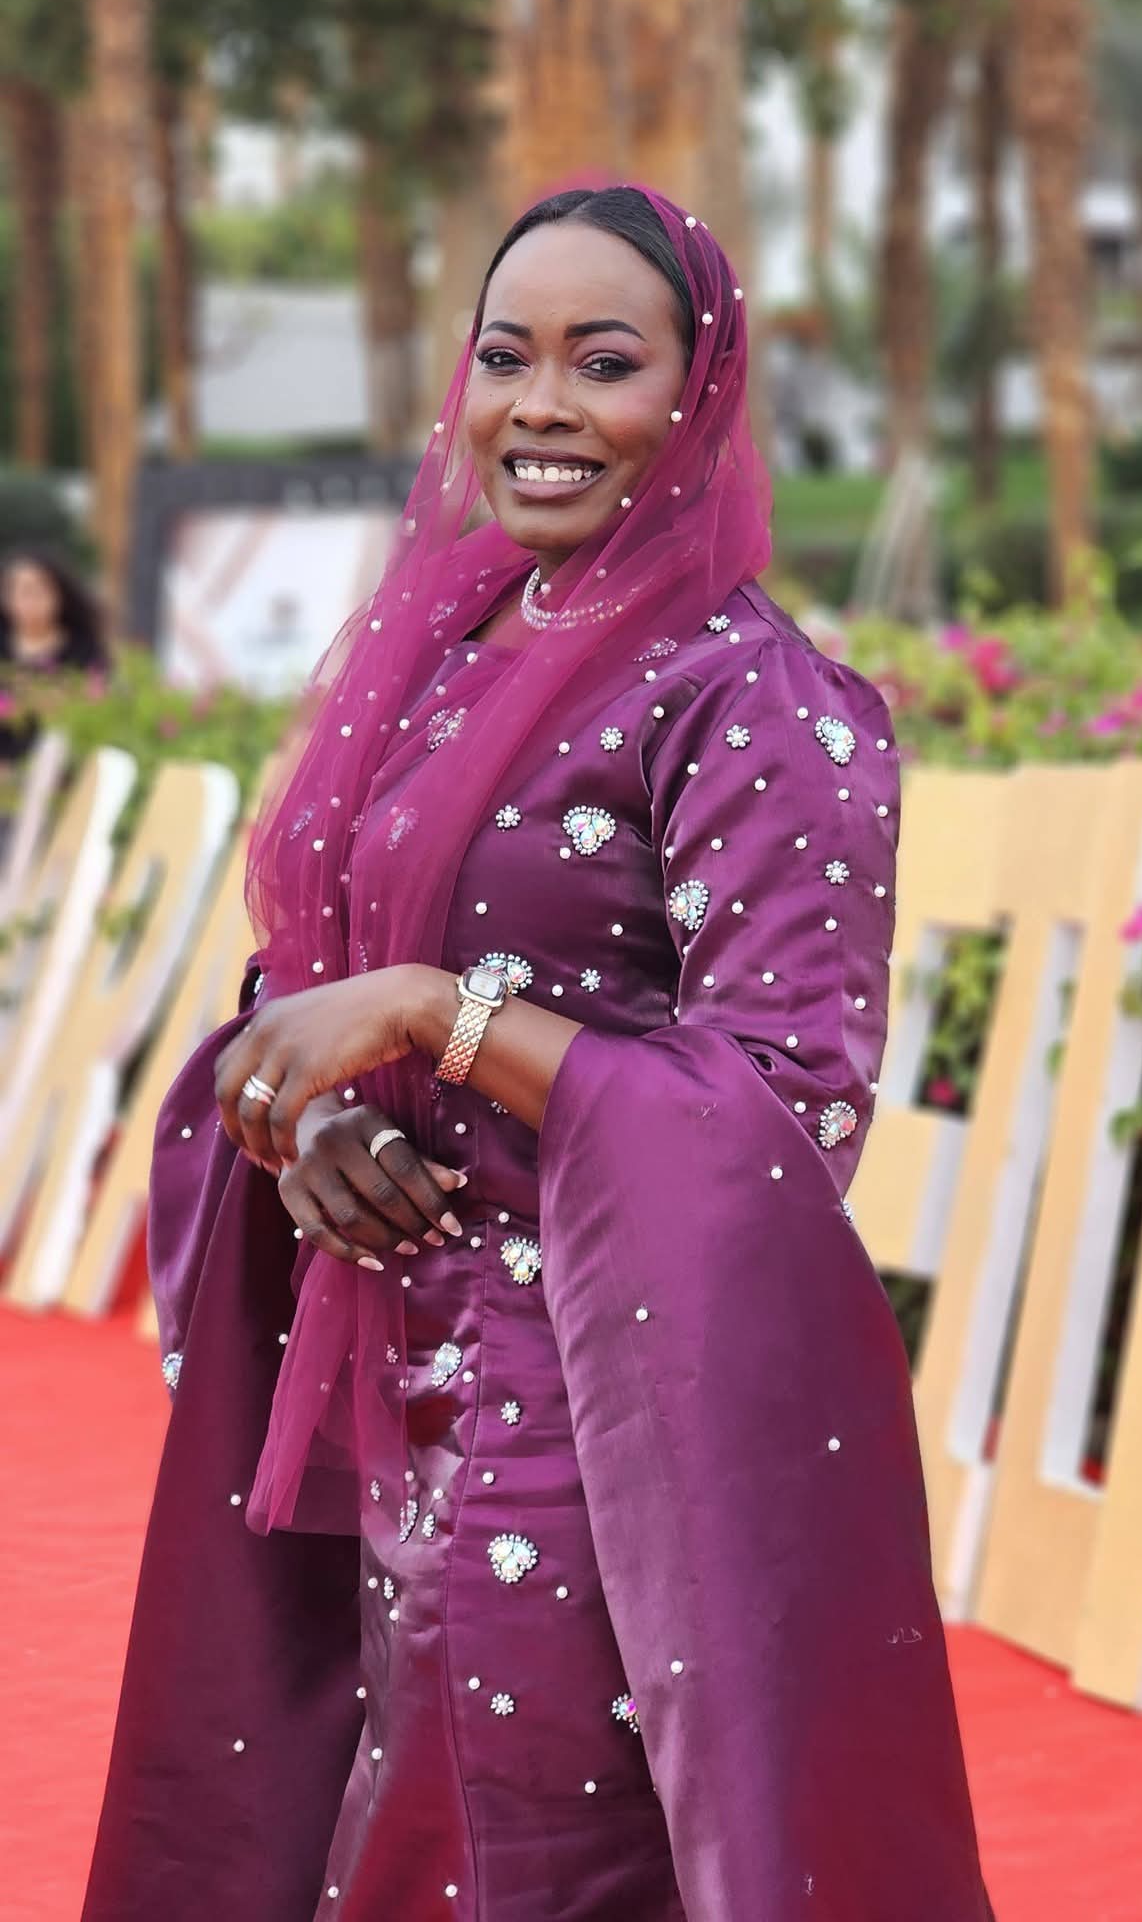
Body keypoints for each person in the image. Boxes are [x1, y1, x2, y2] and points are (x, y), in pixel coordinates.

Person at [83, 186, 994, 1921]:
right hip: (382, 1384)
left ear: (701, 392)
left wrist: (437, 1015)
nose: (541, 407)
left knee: (539, 1859)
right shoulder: (442, 654)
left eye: (605, 362)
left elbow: (781, 1111)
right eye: (506, 358)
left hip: (598, 1425)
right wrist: (310, 1119)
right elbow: (313, 973)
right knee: (382, 1840)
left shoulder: (750, 699)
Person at [0, 545, 108, 760]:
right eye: (21, 590)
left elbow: (99, 707)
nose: (30, 600)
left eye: (38, 589)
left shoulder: (83, 648)